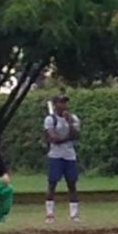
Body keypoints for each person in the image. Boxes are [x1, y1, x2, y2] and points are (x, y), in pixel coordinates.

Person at [44, 94, 82, 223]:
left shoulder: (73, 118)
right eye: (61, 102)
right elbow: (53, 139)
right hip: (55, 155)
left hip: (69, 155)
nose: (64, 105)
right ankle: (49, 213)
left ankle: (74, 214)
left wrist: (70, 123)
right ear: (55, 105)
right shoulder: (50, 119)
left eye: (65, 102)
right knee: (52, 183)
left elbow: (76, 135)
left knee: (72, 184)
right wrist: (67, 137)